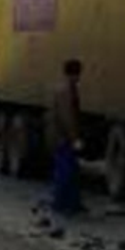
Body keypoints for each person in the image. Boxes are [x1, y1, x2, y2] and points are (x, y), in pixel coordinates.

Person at [47, 58, 85, 214]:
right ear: (73, 74)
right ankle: (61, 203)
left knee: (72, 171)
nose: (79, 77)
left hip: (61, 137)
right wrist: (74, 139)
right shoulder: (66, 91)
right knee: (65, 172)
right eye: (78, 74)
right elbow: (67, 117)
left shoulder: (64, 88)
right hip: (63, 139)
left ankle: (72, 203)